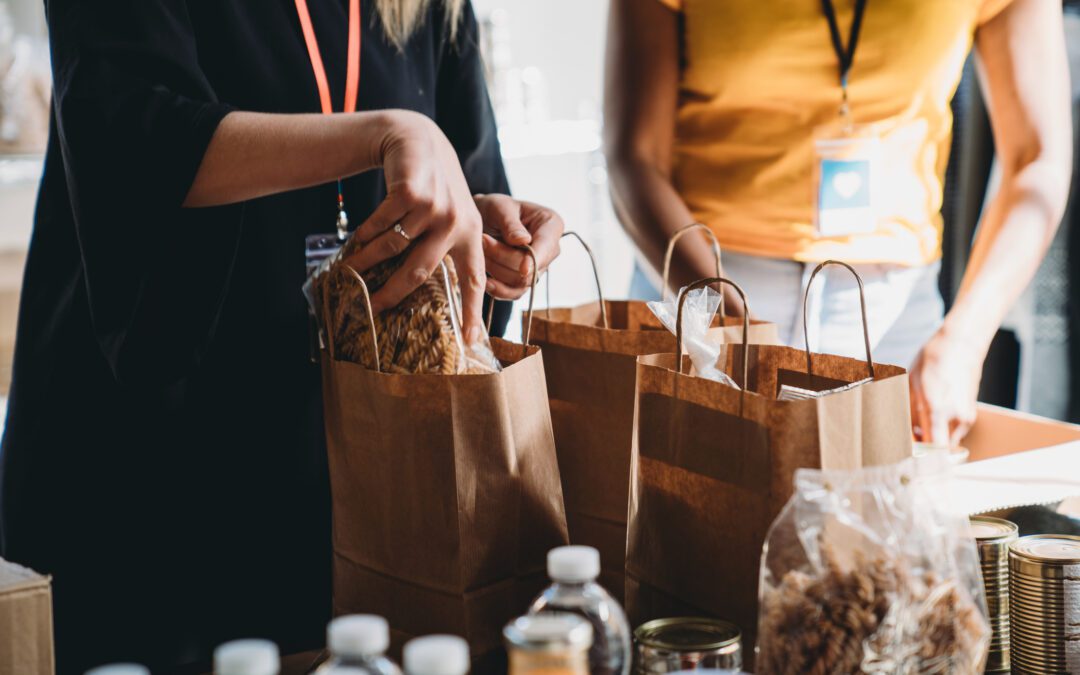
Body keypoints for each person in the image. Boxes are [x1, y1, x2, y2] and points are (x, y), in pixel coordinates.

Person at [0, 0, 562, 672]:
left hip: (344, 481)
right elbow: (129, 128)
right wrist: (382, 132)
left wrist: (477, 226)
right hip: (151, 478)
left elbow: (461, 175)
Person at [605, 0, 1072, 446]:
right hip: (703, 289)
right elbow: (634, 157)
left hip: (893, 315)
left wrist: (966, 340)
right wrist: (727, 322)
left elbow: (1037, 160)